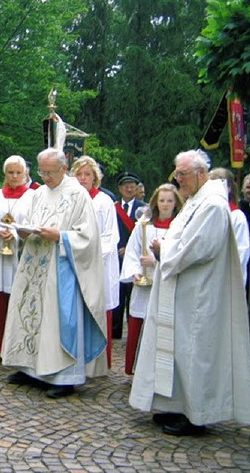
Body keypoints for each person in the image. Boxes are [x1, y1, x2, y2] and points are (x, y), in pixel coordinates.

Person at [129, 150, 250, 436]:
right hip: (181, 289)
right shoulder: (196, 200)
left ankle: (197, 415)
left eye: (182, 175)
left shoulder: (213, 205)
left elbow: (200, 247)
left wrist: (165, 252)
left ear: (199, 173)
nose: (178, 181)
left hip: (199, 294)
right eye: (177, 174)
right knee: (176, 350)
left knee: (193, 351)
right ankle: (175, 405)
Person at [1, 148, 107, 398]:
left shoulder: (78, 194)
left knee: (57, 321)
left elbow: (89, 237)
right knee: (29, 315)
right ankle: (29, 369)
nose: (46, 177)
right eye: (42, 172)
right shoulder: (38, 193)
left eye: (50, 172)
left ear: (63, 168)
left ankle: (64, 377)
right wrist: (22, 232)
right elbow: (29, 221)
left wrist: (59, 235)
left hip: (61, 267)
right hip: (33, 263)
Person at [120, 183, 183, 375]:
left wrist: (155, 260)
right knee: (139, 321)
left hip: (166, 282)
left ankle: (159, 370)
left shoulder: (179, 226)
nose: (165, 204)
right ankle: (135, 368)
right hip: (144, 284)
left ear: (176, 203)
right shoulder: (144, 225)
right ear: (155, 202)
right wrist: (134, 271)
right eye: (162, 200)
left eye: (170, 201)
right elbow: (132, 250)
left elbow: (181, 254)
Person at [0, 155, 35, 362]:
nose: (14, 176)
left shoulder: (33, 197)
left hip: (20, 258)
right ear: (5, 173)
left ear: (25, 173)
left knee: (19, 301)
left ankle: (15, 349)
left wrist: (17, 233)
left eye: (18, 172)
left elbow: (36, 224)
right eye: (10, 172)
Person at [71, 155, 120, 368]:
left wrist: (92, 256)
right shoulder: (71, 200)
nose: (82, 178)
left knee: (97, 308)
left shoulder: (103, 201)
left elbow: (110, 236)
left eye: (87, 174)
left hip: (98, 263)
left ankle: (97, 361)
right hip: (75, 262)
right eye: (79, 174)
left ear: (95, 178)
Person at [112, 171, 147, 339]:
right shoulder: (113, 208)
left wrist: (130, 249)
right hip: (115, 257)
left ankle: (133, 330)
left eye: (132, 185)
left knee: (133, 294)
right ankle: (115, 331)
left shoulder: (144, 208)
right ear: (120, 188)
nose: (129, 188)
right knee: (117, 293)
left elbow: (145, 235)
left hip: (134, 258)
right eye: (125, 185)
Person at [209, 168, 250, 285]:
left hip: (227, 280)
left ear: (229, 188)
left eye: (220, 183)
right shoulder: (205, 214)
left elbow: (241, 252)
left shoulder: (237, 216)